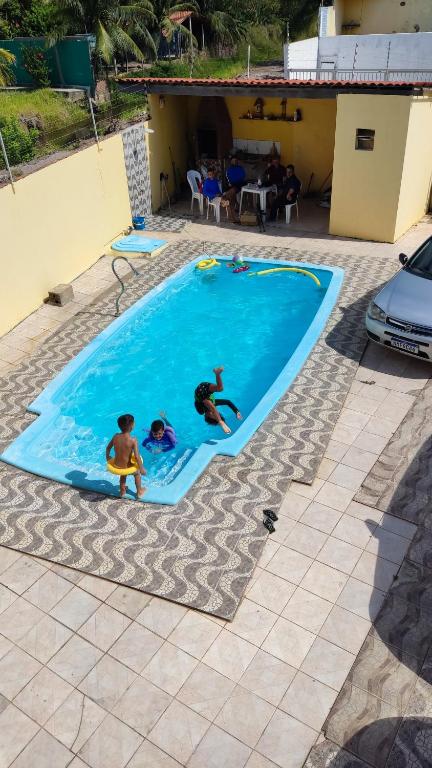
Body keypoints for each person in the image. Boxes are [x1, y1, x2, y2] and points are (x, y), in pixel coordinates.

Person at [106, 414, 146, 498]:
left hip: (117, 466)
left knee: (123, 474)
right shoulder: (133, 440)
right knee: (137, 473)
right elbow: (137, 457)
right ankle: (139, 491)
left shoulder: (115, 436)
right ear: (132, 426)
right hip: (127, 467)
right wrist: (142, 468)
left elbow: (108, 448)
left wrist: (108, 457)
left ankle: (122, 491)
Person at [194, 366, 242, 435]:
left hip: (199, 393)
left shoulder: (201, 411)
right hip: (205, 387)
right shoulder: (214, 403)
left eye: (213, 415)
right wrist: (236, 411)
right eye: (216, 415)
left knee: (209, 404)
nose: (213, 413)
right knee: (220, 388)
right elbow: (228, 402)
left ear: (207, 416)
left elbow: (211, 408)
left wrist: (205, 403)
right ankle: (217, 373)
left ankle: (220, 422)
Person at [221, 156, 246, 223]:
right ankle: (232, 218)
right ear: (231, 162)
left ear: (237, 161)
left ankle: (223, 198)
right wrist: (230, 183)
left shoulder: (240, 168)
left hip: (239, 185)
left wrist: (236, 181)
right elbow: (227, 178)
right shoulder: (229, 169)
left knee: (229, 196)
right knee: (229, 200)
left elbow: (243, 176)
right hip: (232, 185)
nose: (234, 162)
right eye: (233, 160)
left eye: (235, 160)